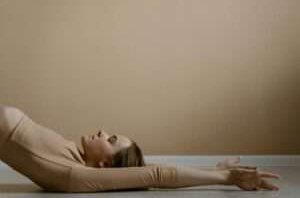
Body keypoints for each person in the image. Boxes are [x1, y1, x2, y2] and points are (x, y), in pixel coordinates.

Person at [0, 105, 281, 193]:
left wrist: (228, 178)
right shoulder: (73, 158)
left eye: (110, 141)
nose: (102, 132)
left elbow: (157, 175)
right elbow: (147, 169)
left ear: (104, 168)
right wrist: (215, 169)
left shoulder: (76, 175)